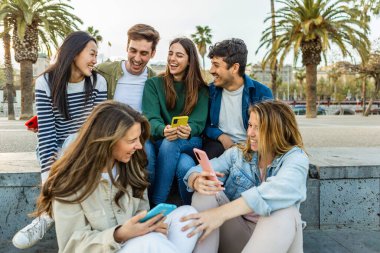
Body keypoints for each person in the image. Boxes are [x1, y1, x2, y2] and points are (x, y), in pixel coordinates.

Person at [33, 101, 199, 253]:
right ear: (108, 141)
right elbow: (71, 246)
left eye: (139, 139)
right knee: (150, 242)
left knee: (188, 216)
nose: (139, 146)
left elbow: (142, 212)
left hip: (137, 243)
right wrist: (119, 234)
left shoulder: (133, 168)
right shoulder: (68, 182)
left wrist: (151, 225)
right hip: (112, 248)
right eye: (132, 140)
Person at [12, 31, 108, 249]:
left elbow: (96, 131)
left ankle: (46, 217)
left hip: (86, 149)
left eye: (96, 55)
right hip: (55, 149)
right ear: (74, 52)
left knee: (77, 142)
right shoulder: (46, 82)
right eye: (92, 54)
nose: (95, 60)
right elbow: (46, 137)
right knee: (66, 151)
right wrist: (48, 184)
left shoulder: (98, 82)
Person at [181, 100, 309, 253]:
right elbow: (196, 170)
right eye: (250, 125)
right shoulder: (238, 154)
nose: (250, 133)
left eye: (258, 128)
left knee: (286, 211)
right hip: (239, 236)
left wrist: (219, 214)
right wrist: (196, 180)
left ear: (278, 130)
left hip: (276, 240)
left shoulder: (296, 158)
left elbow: (282, 189)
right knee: (205, 191)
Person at [142, 37, 209, 206]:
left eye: (179, 55)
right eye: (170, 54)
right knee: (184, 165)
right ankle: (185, 208)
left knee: (173, 141)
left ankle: (156, 205)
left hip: (188, 140)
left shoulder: (201, 89)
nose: (172, 58)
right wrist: (163, 129)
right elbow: (151, 118)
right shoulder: (153, 84)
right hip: (159, 137)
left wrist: (188, 129)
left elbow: (198, 123)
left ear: (189, 61)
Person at [203, 38, 273, 159]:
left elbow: (270, 131)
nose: (211, 70)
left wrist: (247, 147)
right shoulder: (210, 91)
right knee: (211, 151)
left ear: (235, 68)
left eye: (216, 65)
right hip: (219, 147)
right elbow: (204, 124)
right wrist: (221, 137)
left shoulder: (262, 93)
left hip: (252, 148)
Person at [95, 24, 159, 112]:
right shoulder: (103, 70)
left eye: (143, 53)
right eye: (133, 51)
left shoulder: (156, 81)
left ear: (152, 54)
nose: (137, 58)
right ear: (127, 48)